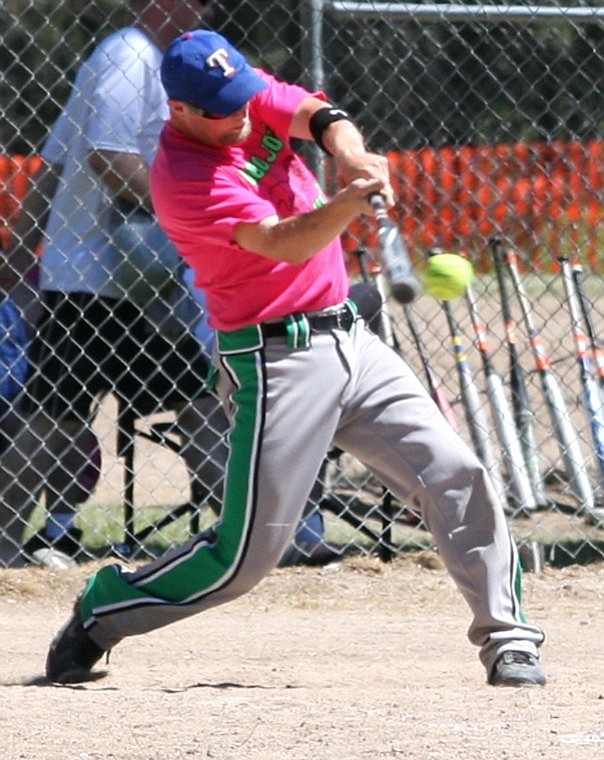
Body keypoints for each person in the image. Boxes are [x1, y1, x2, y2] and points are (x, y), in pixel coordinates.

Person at [45, 30, 546, 688]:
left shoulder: (241, 97)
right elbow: (282, 244)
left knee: (455, 472)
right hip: (275, 361)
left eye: (245, 96)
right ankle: (103, 611)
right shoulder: (184, 179)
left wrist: (352, 153)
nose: (247, 114)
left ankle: (508, 636)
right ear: (182, 112)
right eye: (227, 110)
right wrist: (348, 200)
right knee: (247, 556)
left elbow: (312, 111)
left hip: (352, 341)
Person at [0, 0, 223, 567]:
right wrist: (183, 218)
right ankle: (2, 547)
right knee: (52, 416)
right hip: (98, 277)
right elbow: (107, 156)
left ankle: (249, 544)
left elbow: (52, 163)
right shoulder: (132, 56)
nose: (205, 9)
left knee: (193, 403)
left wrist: (23, 251)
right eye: (192, 1)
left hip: (132, 281)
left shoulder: (136, 58)